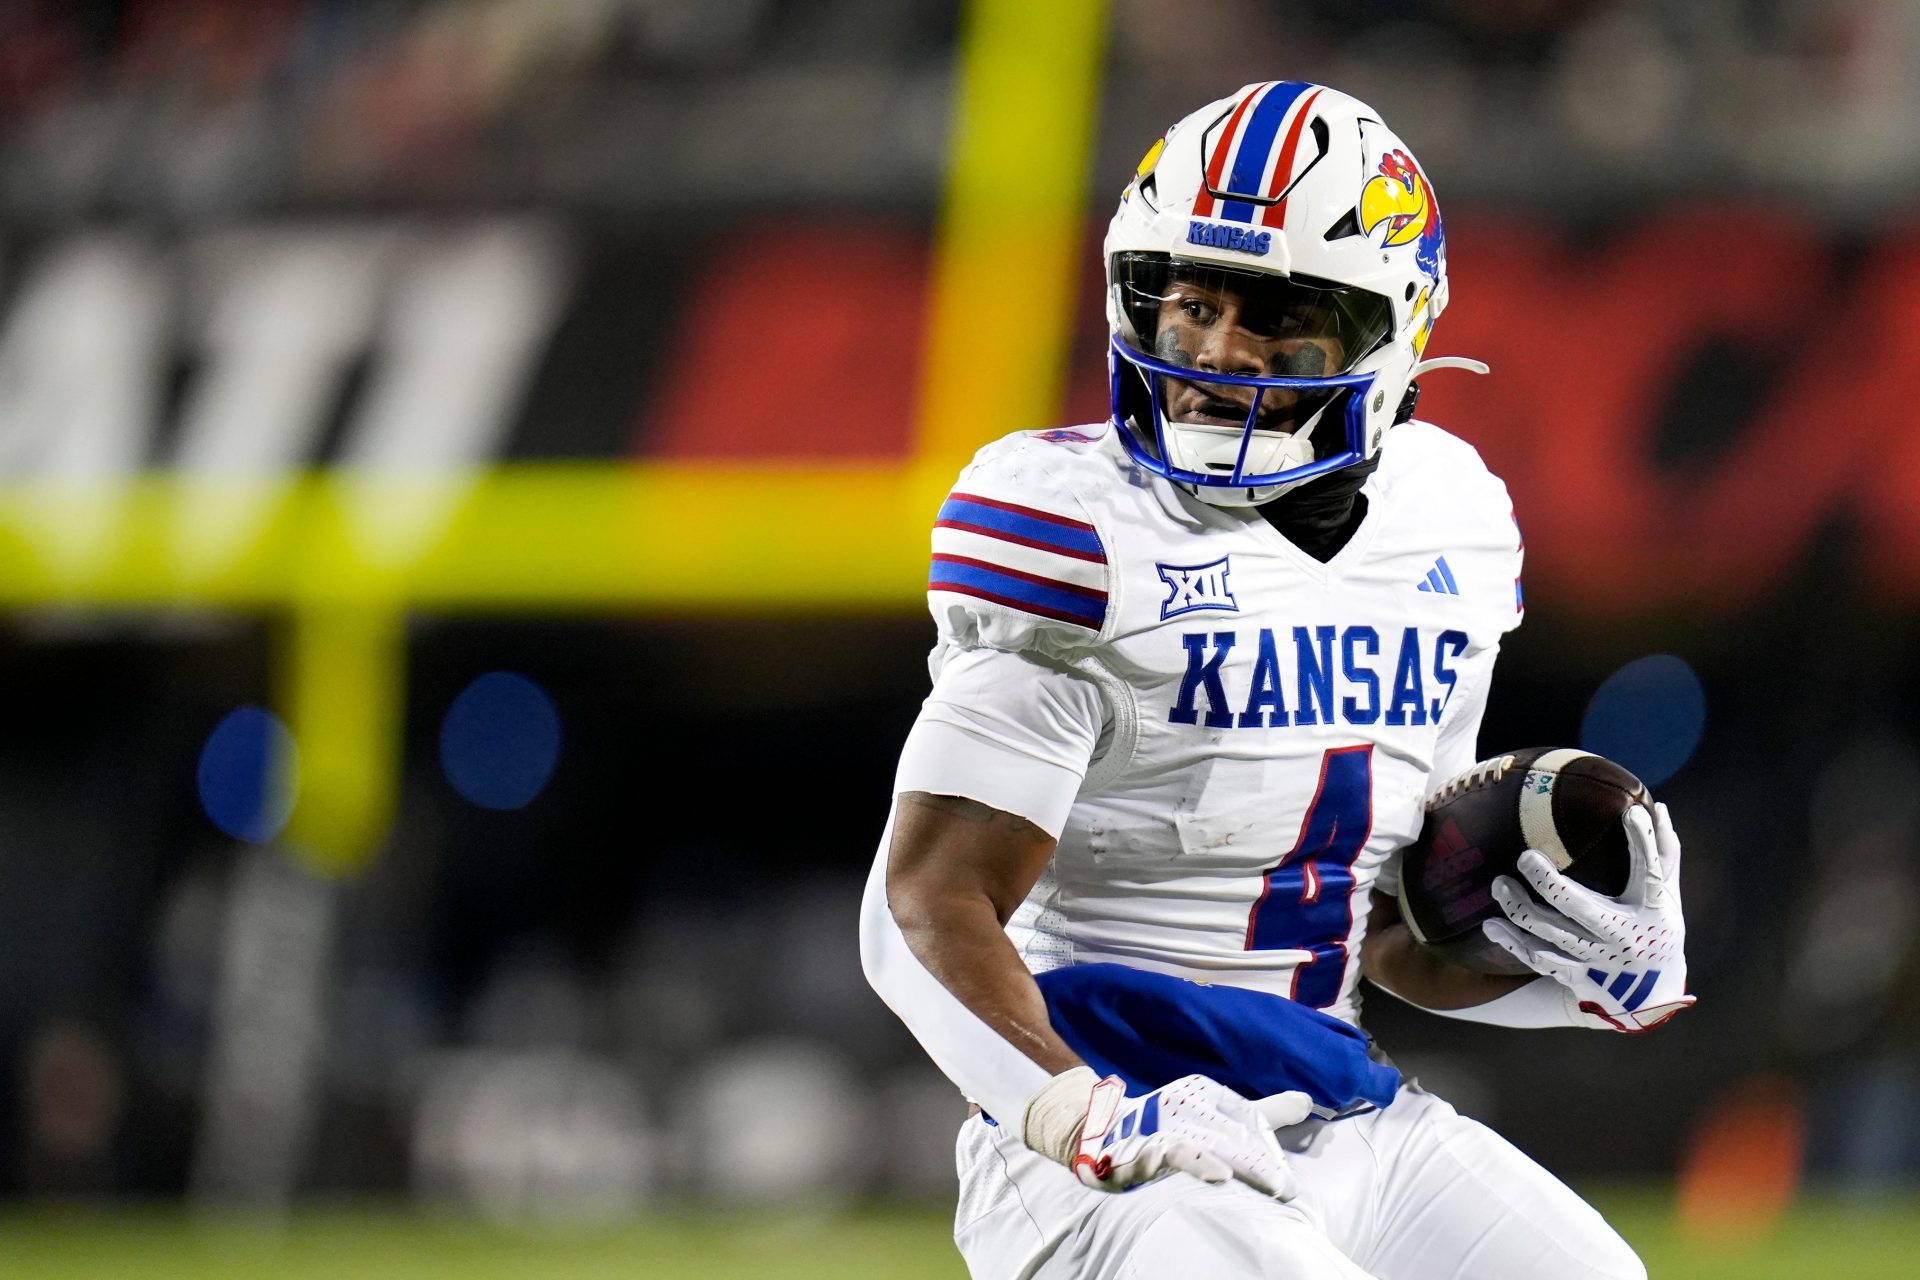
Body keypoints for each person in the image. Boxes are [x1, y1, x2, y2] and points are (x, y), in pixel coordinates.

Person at [860, 80, 1691, 1280]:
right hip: (1115, 1141)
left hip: (1348, 1109)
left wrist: (1575, 976)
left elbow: (1389, 926)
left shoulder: (1450, 524)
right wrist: (1088, 1117)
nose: (1218, 355)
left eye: (1281, 316)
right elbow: (920, 905)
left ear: (1394, 329)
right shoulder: (1076, 530)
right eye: (1191, 304)